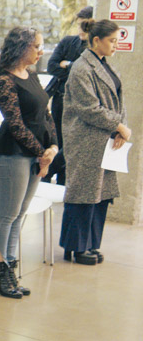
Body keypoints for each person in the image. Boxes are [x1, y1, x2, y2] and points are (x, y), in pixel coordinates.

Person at [0, 27, 57, 297]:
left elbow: (46, 114)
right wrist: (42, 153)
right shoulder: (4, 80)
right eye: (37, 46)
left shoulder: (32, 75)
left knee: (19, 214)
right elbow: (15, 124)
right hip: (14, 153)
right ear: (21, 47)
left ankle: (10, 267)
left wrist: (53, 146)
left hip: (37, 153)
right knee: (7, 214)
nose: (41, 51)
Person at [60, 19, 129, 265]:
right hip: (86, 139)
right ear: (96, 40)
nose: (115, 45)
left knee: (100, 195)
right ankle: (76, 247)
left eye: (117, 41)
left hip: (104, 138)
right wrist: (119, 126)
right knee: (83, 194)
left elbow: (119, 102)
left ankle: (90, 244)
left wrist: (120, 128)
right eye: (112, 41)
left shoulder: (104, 64)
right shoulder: (81, 67)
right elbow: (88, 108)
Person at [44, 5, 93, 184]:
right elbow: (52, 66)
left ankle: (49, 172)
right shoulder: (68, 42)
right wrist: (73, 69)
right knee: (59, 140)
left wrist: (68, 65)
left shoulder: (94, 48)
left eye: (85, 25)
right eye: (79, 24)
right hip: (61, 98)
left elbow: (87, 74)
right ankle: (50, 176)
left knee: (73, 142)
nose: (81, 29)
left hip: (81, 101)